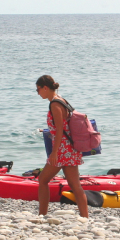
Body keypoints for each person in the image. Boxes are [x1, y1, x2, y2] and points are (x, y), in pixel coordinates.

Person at [35, 75, 88, 217]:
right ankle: (85, 217)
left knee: (43, 179)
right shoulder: (62, 100)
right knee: (75, 185)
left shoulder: (54, 104)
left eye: (38, 89)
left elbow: (59, 130)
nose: (38, 92)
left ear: (45, 88)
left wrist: (54, 153)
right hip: (70, 148)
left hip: (62, 149)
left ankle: (42, 214)